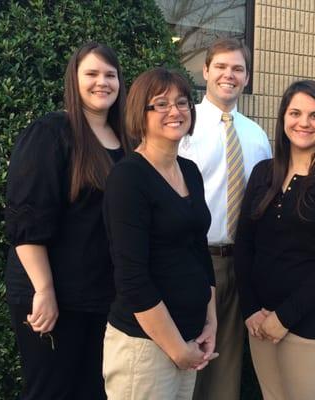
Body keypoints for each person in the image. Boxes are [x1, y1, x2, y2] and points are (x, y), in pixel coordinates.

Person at [4, 42, 132, 399]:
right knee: (52, 391)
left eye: (110, 74)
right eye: (91, 74)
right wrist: (44, 290)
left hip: (101, 295)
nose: (102, 82)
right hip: (52, 292)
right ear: (73, 80)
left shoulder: (125, 141)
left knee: (93, 390)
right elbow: (26, 219)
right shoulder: (50, 133)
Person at [234, 80, 315, 400]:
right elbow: (245, 245)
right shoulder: (263, 173)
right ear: (283, 119)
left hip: (311, 326)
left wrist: (285, 317)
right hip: (260, 322)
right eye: (295, 113)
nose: (303, 123)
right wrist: (251, 309)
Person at [102, 68, 217, 400]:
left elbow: (199, 251)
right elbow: (132, 277)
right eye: (161, 104)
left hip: (191, 335)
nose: (175, 111)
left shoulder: (190, 172)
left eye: (182, 102)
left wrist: (210, 324)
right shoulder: (128, 178)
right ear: (141, 112)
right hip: (146, 346)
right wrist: (177, 350)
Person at [178, 37, 272, 400]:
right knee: (187, 356)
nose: (228, 75)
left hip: (241, 263)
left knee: (226, 364)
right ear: (205, 71)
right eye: (220, 66)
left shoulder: (256, 136)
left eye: (237, 69)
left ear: (247, 77)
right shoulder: (184, 125)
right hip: (194, 259)